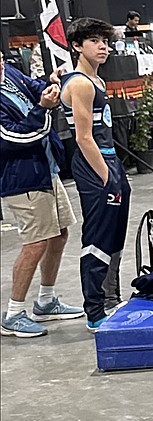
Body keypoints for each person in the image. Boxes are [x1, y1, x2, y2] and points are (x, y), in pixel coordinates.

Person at [0, 59, 84, 336]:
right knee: (35, 243)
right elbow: (17, 138)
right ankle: (13, 313)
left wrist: (51, 82)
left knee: (59, 235)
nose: (1, 63)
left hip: (46, 171)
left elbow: (33, 86)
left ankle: (46, 301)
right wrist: (43, 109)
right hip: (22, 179)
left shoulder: (9, 73)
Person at [58, 19, 131, 329]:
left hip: (110, 162)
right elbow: (84, 138)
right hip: (95, 166)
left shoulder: (95, 82)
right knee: (98, 236)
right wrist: (106, 177)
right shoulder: (81, 84)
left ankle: (110, 298)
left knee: (115, 234)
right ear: (77, 46)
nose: (104, 46)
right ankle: (95, 310)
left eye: (106, 41)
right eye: (95, 41)